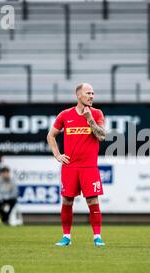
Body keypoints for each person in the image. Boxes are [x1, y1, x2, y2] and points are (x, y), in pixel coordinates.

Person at [47, 83, 106, 247]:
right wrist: (57, 155)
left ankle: (97, 237)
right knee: (67, 201)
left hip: (89, 167)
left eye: (93, 93)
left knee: (93, 201)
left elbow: (102, 136)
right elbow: (51, 135)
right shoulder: (65, 115)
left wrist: (90, 120)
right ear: (79, 95)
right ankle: (66, 237)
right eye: (88, 93)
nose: (92, 96)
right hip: (70, 167)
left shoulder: (96, 113)